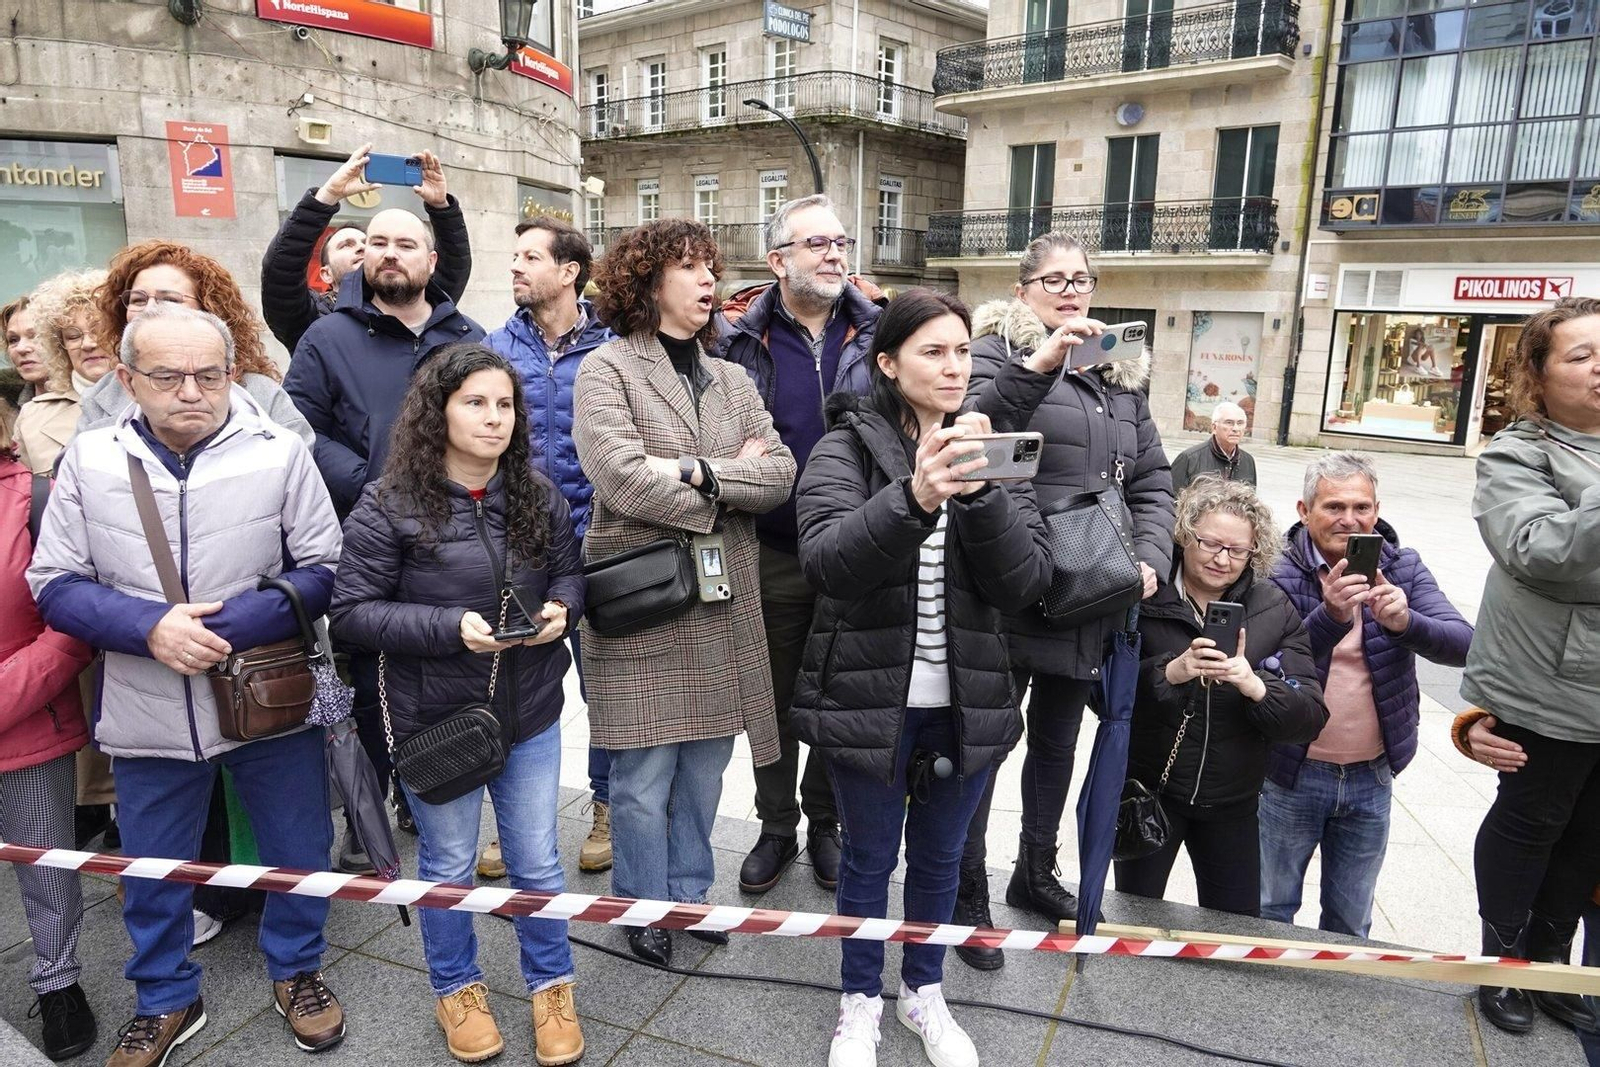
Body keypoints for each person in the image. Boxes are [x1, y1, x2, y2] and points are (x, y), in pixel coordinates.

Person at [27, 303, 347, 1065]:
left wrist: (224, 627)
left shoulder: (277, 450)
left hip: (266, 693)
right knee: (151, 864)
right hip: (145, 701)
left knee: (296, 845)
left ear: (232, 373)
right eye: (167, 375)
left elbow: (324, 566)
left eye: (208, 373)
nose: (191, 391)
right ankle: (165, 994)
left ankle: (299, 967)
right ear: (129, 378)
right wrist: (149, 628)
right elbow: (54, 581)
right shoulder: (91, 457)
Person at [793, 288, 1050, 1067]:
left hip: (968, 702)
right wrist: (913, 496)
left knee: (943, 859)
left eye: (963, 351)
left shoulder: (992, 447)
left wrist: (977, 498)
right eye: (933, 351)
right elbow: (829, 562)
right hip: (872, 701)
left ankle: (924, 991)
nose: (953, 367)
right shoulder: (844, 447)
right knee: (869, 860)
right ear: (888, 362)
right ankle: (859, 1000)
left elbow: (1026, 580)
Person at [330, 344, 586, 1066]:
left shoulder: (538, 494)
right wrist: (448, 629)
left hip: (529, 707)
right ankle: (457, 987)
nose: (494, 417)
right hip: (434, 716)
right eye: (475, 401)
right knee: (448, 861)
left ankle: (552, 983)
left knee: (537, 859)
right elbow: (350, 612)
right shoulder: (388, 504)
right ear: (437, 412)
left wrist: (566, 605)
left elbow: (570, 571)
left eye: (504, 404)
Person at [572, 218, 795, 966]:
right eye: (689, 266)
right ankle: (642, 904)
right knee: (641, 775)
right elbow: (619, 473)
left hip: (722, 597)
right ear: (645, 280)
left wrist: (696, 471)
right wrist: (727, 476)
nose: (708, 280)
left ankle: (691, 894)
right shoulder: (606, 368)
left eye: (711, 266)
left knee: (705, 766)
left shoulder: (731, 374)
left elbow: (782, 471)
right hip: (645, 601)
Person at [956, 232, 1174, 968]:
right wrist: (1040, 364)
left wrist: (1150, 554)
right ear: (1023, 292)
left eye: (1080, 278)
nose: (1070, 290)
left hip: (1094, 585)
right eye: (1053, 279)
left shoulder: (1120, 374)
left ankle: (1034, 866)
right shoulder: (993, 352)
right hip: (1012, 581)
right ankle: (965, 888)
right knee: (986, 741)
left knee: (1056, 742)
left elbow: (1151, 479)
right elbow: (975, 429)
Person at [284, 206, 485, 846]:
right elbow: (299, 429)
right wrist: (373, 488)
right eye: (377, 243)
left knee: (454, 663)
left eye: (406, 243)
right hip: (366, 537)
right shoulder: (327, 338)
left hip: (455, 536)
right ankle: (373, 801)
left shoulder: (467, 338)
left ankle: (439, 786)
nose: (389, 253)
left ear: (431, 261)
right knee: (372, 678)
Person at [710, 194, 884, 895]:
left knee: (843, 696)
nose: (835, 254)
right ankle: (776, 824)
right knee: (772, 699)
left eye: (840, 241)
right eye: (817, 244)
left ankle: (825, 822)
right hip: (772, 549)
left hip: (857, 548)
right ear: (779, 259)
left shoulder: (878, 331)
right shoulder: (734, 337)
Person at [1458, 297, 1600, 1035]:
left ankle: (1551, 962)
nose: (1599, 365)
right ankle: (1503, 961)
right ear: (1538, 377)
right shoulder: (1519, 451)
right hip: (1550, 683)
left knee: (1589, 834)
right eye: (1580, 354)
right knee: (1534, 820)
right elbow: (1540, 549)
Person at [1259, 452, 1472, 937]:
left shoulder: (1404, 568)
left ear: (1377, 510)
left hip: (1370, 777)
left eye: (1362, 507)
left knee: (1351, 918)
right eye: (1334, 506)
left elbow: (1465, 644)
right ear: (1303, 509)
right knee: (1270, 907)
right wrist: (1329, 617)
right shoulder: (1276, 572)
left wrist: (1405, 622)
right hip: (1289, 772)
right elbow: (1262, 665)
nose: (1349, 520)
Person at [1116, 478, 1327, 915]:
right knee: (1131, 916)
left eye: (1237, 550)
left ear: (1255, 552)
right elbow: (1101, 697)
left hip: (1233, 800)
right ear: (1185, 533)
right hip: (1152, 791)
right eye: (1210, 543)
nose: (1222, 559)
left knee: (1235, 930)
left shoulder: (1272, 607)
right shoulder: (1146, 595)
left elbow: (1309, 717)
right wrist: (1169, 673)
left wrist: (1255, 686)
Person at [484, 215, 616, 879]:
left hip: (604, 541)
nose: (515, 267)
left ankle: (607, 805)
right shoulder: (495, 344)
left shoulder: (616, 344)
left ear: (568, 271)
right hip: (522, 549)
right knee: (517, 689)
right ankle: (516, 824)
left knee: (606, 688)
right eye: (513, 255)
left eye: (529, 256)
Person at [3, 431, 98, 1060]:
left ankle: (59, 983)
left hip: (29, 725)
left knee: (45, 863)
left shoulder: (36, 501)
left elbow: (72, 621)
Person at [79, 241, 311, 443]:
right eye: (138, 300)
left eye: (169, 299)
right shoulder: (102, 397)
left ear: (208, 310)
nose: (149, 310)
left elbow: (297, 470)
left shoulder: (261, 395)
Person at [260, 143, 473, 352]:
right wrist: (327, 196)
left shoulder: (413, 300)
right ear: (325, 274)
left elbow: (452, 269)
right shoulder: (313, 320)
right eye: (346, 245)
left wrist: (441, 206)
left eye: (369, 243)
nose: (362, 249)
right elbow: (281, 275)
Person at [12, 270, 112, 476]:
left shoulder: (156, 401)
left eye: (98, 330)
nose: (88, 344)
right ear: (60, 347)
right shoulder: (32, 416)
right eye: (73, 336)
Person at [1168, 401, 1256, 493]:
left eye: (1240, 423)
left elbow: (1251, 501)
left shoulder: (1248, 461)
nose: (1235, 429)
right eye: (1229, 423)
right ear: (1214, 427)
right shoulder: (1189, 458)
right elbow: (1169, 498)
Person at [4, 296, 46, 405]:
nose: (21, 348)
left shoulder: (89, 402)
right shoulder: (5, 401)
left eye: (35, 337)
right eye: (13, 340)